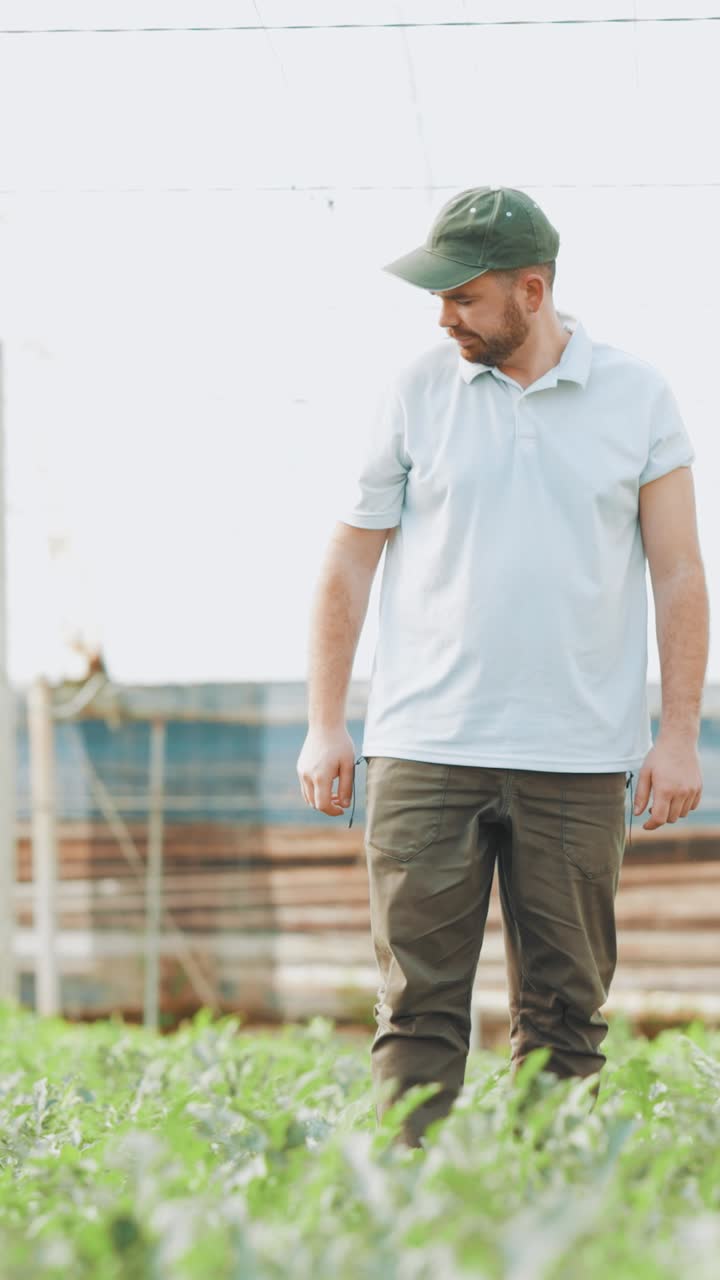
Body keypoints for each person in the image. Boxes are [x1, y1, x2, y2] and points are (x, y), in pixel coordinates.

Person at [296, 185, 708, 1148]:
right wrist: (327, 721)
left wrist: (679, 735)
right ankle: (412, 1211)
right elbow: (349, 561)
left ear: (534, 290)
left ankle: (542, 1215)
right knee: (417, 1016)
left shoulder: (638, 396)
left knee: (566, 1021)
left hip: (577, 757)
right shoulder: (416, 390)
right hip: (424, 752)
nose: (444, 316)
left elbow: (680, 571)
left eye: (464, 297)